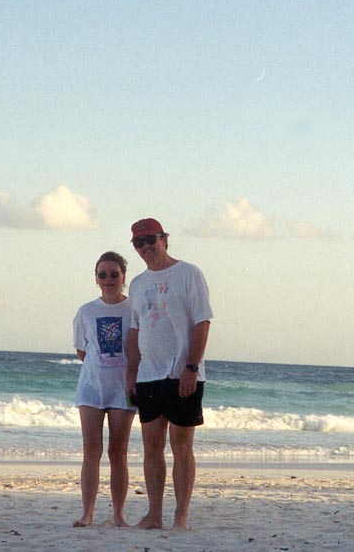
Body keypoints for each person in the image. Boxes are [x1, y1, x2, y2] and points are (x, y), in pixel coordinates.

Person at [125, 218, 213, 530]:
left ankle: (181, 516)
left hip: (182, 374)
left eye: (151, 239)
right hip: (149, 376)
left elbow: (202, 322)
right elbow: (135, 332)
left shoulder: (189, 274)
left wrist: (190, 368)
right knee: (151, 448)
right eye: (139, 242)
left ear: (164, 239)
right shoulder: (136, 284)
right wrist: (131, 374)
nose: (146, 247)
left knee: (181, 446)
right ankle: (154, 514)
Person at [72, 251, 136, 527]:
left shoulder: (134, 309)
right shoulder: (86, 311)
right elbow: (81, 351)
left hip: (123, 390)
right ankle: (87, 513)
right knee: (91, 451)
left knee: (118, 453)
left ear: (123, 277)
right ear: (95, 278)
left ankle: (119, 514)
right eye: (102, 274)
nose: (108, 279)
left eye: (114, 274)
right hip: (91, 389)